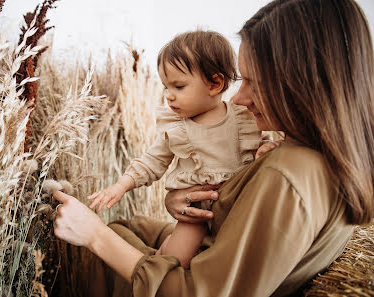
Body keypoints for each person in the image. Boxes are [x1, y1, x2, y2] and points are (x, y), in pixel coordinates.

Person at [52, 0, 374, 296]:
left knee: (112, 237)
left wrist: (93, 234)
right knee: (130, 228)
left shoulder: (288, 175)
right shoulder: (319, 154)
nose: (238, 98)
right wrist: (183, 202)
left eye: (253, 81)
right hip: (210, 245)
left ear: (301, 81)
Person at [86, 30, 263, 268]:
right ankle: (165, 249)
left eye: (178, 86)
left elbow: (253, 153)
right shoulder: (177, 128)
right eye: (166, 87)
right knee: (176, 261)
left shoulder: (243, 120)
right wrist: (121, 186)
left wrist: (265, 150)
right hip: (195, 213)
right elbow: (152, 161)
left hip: (236, 211)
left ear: (214, 83)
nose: (168, 96)